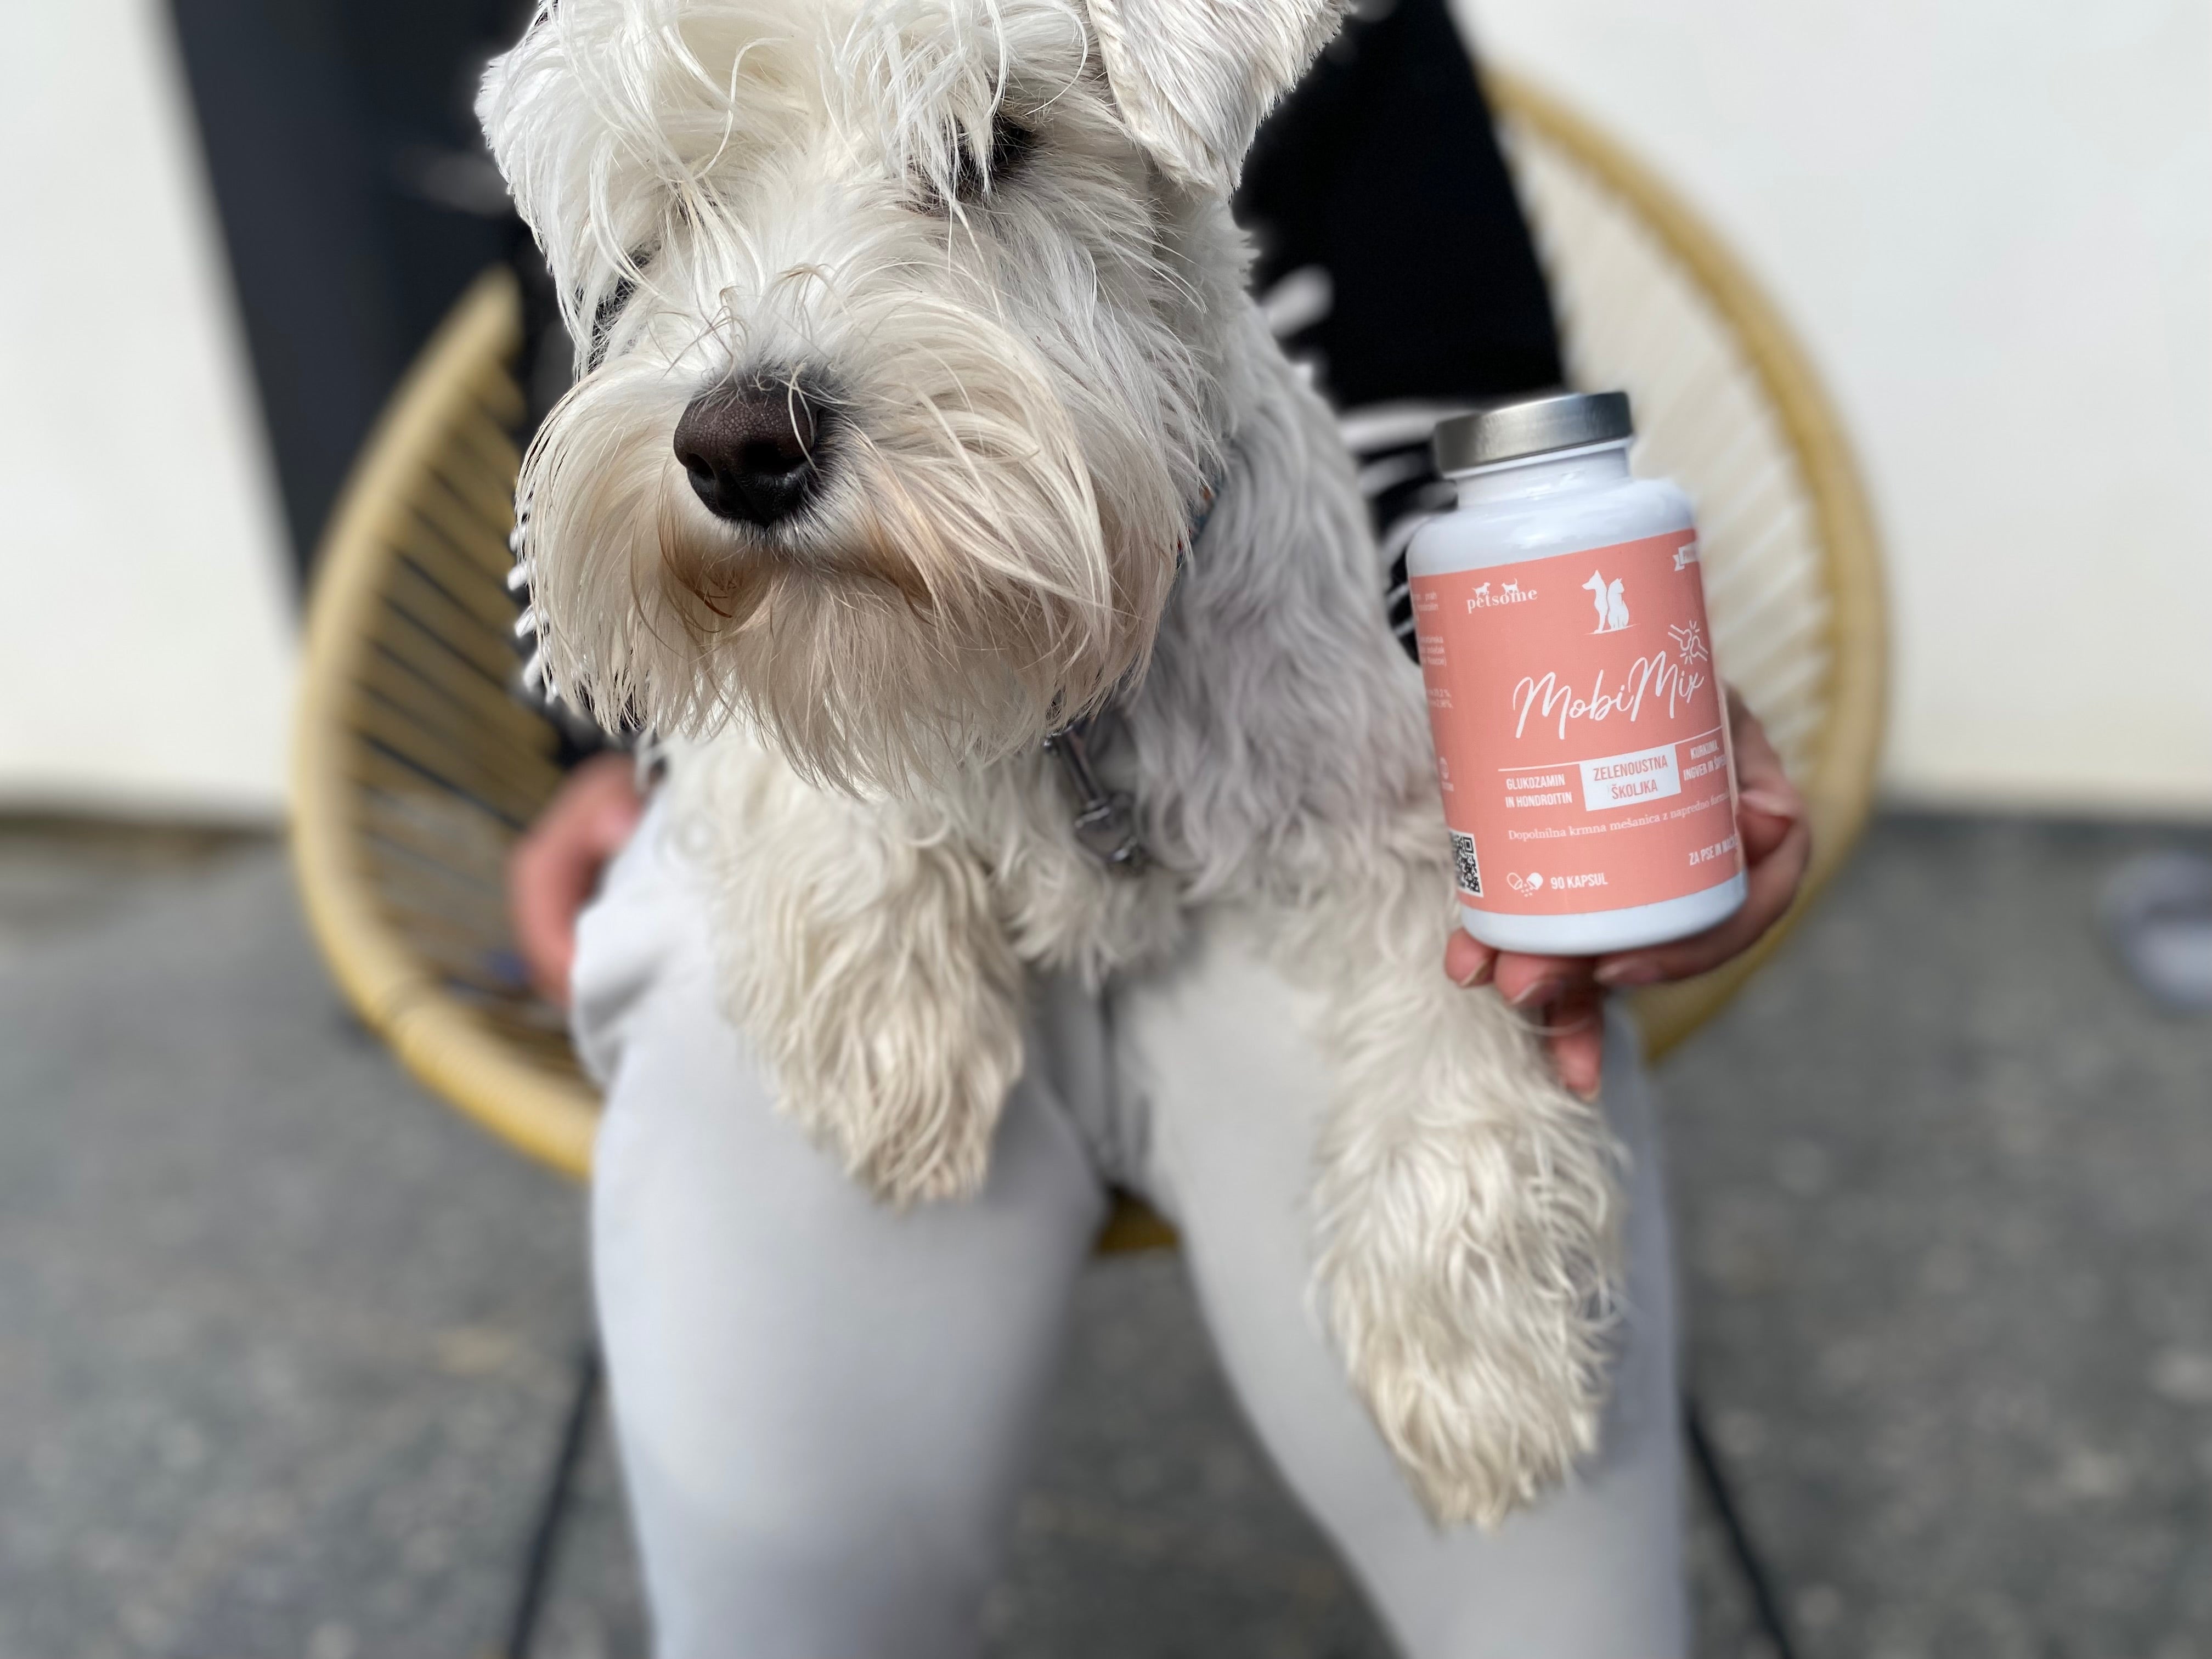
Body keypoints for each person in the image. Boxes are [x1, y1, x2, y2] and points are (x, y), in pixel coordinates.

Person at [506, 5, 1811, 1652]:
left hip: (1310, 667)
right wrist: (589, 740)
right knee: (730, 1019)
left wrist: (1581, 714)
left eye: (980, 153)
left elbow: (1476, 415)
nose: (758, 347)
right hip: (820, 750)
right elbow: (577, 356)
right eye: (694, 210)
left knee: (1488, 1013)